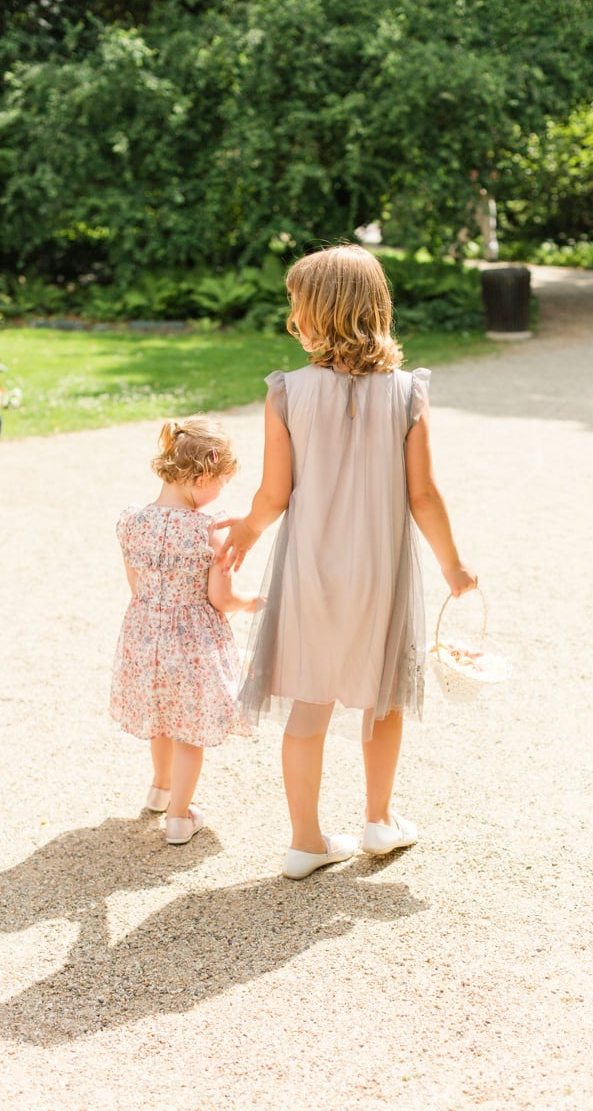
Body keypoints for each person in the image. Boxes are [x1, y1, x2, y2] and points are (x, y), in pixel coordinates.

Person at [214, 244, 478, 880]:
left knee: (309, 705)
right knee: (382, 697)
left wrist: (246, 531)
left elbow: (273, 496)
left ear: (317, 317)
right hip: (380, 572)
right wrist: (453, 567)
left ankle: (305, 840)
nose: (290, 320)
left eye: (295, 308)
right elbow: (424, 496)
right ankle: (379, 821)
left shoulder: (286, 393)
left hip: (309, 570)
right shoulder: (408, 394)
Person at [111, 418, 259, 846]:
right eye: (221, 484)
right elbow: (220, 600)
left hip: (143, 636)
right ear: (201, 476)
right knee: (189, 730)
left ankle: (160, 789)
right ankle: (179, 816)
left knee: (160, 719)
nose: (219, 495)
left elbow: (136, 586)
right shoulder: (206, 531)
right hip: (191, 643)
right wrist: (251, 601)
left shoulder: (130, 521)